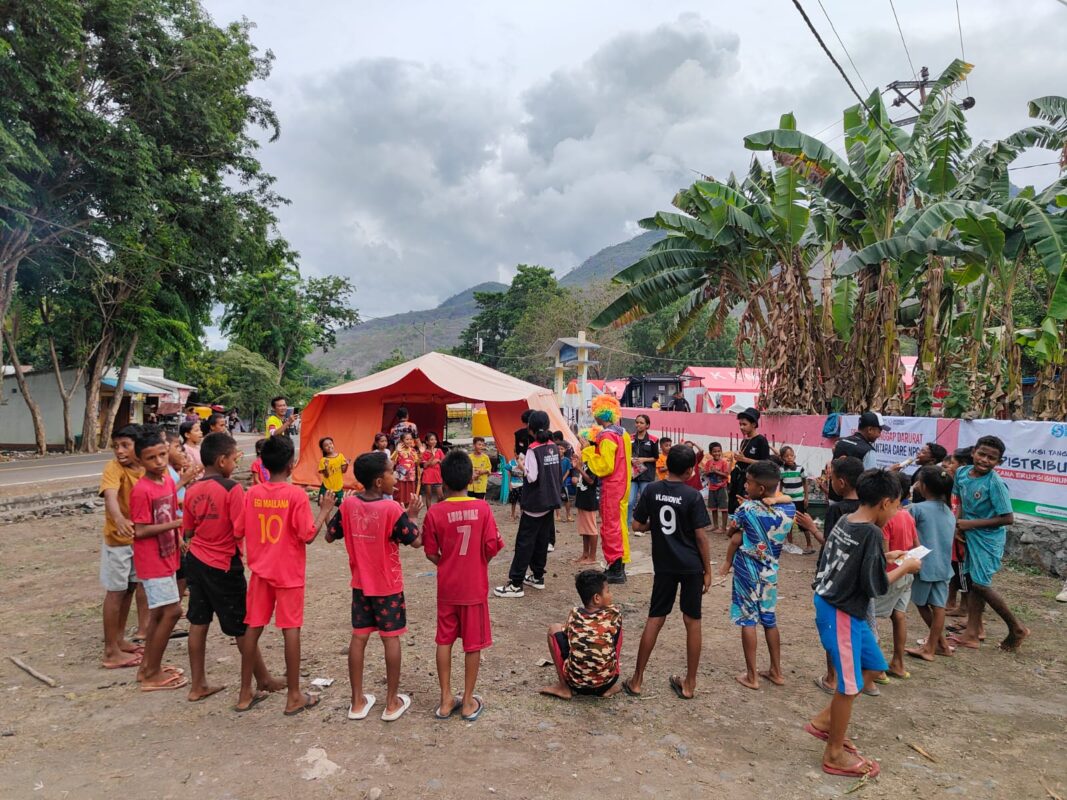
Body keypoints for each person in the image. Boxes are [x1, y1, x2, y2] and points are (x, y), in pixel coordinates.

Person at [807, 469, 923, 779]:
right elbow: (876, 587)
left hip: (844, 608)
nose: (897, 511)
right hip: (839, 610)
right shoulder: (871, 532)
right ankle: (833, 754)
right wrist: (907, 566)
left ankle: (824, 722)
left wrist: (887, 556)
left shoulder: (849, 520)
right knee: (849, 685)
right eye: (897, 505)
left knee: (873, 666)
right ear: (885, 502)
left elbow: (857, 562)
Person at [182, 432, 286, 707]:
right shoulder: (231, 489)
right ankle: (262, 678)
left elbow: (189, 530)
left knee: (198, 621)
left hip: (196, 560)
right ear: (221, 460)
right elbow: (241, 527)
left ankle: (197, 685)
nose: (235, 463)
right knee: (243, 625)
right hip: (223, 563)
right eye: (233, 458)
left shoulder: (191, 490)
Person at [238, 435, 335, 715]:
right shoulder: (296, 495)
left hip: (260, 571)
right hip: (288, 572)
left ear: (264, 465)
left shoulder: (252, 493)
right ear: (291, 465)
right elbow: (307, 536)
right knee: (290, 629)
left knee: (253, 628)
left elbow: (242, 528)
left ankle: (245, 692)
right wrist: (324, 511)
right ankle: (294, 695)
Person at [327, 451, 423, 722]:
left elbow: (330, 535)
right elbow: (416, 541)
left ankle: (357, 702)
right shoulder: (392, 509)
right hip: (388, 586)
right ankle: (391, 703)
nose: (397, 476)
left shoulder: (348, 506)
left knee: (359, 638)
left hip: (361, 586)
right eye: (392, 472)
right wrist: (413, 515)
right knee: (390, 638)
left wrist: (329, 509)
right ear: (380, 482)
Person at [623, 445, 712, 700]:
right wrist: (708, 571)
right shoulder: (693, 496)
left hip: (664, 565)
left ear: (666, 465)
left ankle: (637, 679)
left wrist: (657, 526)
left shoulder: (651, 489)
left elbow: (638, 525)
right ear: (689, 470)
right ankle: (689, 684)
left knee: (655, 617)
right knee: (692, 621)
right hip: (691, 566)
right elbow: (701, 537)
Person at [423, 450, 504, 721]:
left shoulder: (435, 512)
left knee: (443, 640)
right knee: (473, 644)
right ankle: (468, 701)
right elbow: (492, 546)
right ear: (471, 478)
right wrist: (477, 563)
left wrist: (447, 565)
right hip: (474, 588)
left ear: (443, 481)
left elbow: (431, 552)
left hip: (447, 587)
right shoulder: (482, 509)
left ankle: (446, 699)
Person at [948, 436, 1029, 652]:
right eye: (982, 454)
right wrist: (958, 526)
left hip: (988, 539)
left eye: (991, 458)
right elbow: (961, 503)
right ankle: (973, 633)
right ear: (973, 452)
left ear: (999, 462)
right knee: (973, 582)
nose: (985, 460)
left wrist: (969, 524)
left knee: (980, 584)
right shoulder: (963, 473)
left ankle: (1016, 627)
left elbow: (1007, 518)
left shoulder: (995, 484)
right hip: (968, 534)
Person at [720, 460, 793, 690]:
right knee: (770, 621)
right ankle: (776, 671)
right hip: (770, 573)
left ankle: (751, 676)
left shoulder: (746, 509)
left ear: (760, 489)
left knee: (748, 621)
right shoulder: (789, 509)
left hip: (746, 573)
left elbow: (731, 531)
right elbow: (786, 499)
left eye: (748, 483)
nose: (745, 486)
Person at [796, 456, 864, 696]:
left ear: (842, 482)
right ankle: (861, 674)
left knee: (831, 626)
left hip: (833, 576)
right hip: (857, 576)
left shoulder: (837, 509)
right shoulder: (867, 506)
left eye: (831, 477)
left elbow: (830, 545)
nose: (830, 481)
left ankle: (832, 677)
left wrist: (811, 527)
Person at [129, 429, 187, 691]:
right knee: (173, 611)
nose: (159, 462)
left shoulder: (165, 482)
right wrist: (176, 523)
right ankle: (152, 673)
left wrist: (179, 537)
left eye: (162, 455)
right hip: (152, 560)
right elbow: (140, 530)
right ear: (141, 461)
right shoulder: (141, 490)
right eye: (151, 458)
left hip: (168, 554)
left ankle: (148, 668)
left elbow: (171, 512)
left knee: (158, 614)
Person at [494, 410, 563, 598]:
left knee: (524, 542)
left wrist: (521, 466)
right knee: (541, 540)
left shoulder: (533, 449)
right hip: (550, 501)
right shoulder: (553, 447)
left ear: (530, 428)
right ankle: (538, 576)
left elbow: (532, 477)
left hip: (535, 503)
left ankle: (516, 583)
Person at [99, 424, 149, 670]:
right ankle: (110, 651)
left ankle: (119, 639)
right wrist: (118, 519)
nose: (119, 451)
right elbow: (110, 494)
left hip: (137, 539)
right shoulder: (113, 468)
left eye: (125, 446)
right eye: (116, 446)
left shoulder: (144, 468)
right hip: (118, 541)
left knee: (129, 588)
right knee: (115, 591)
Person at [540, 570, 623, 700]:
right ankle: (609, 682)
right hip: (607, 682)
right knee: (616, 630)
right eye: (608, 591)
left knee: (553, 629)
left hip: (575, 684)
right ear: (597, 598)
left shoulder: (574, 614)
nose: (610, 594)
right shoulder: (614, 613)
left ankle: (563, 687)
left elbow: (568, 635)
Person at [905, 465, 958, 662]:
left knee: (920, 603)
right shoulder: (948, 511)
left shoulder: (917, 509)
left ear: (924, 487)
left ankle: (931, 647)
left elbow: (906, 531)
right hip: (943, 566)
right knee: (938, 606)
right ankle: (941, 644)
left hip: (924, 565)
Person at [873, 473, 920, 681]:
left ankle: (877, 669)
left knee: (870, 619)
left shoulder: (886, 519)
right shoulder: (907, 516)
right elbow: (917, 544)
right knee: (898, 615)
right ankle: (898, 663)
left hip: (891, 575)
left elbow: (884, 554)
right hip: (907, 572)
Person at [582, 395, 633, 584]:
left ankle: (615, 567)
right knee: (620, 526)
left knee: (611, 527)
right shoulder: (623, 433)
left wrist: (587, 452)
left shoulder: (607, 436)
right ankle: (620, 564)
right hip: (623, 485)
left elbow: (605, 466)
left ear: (599, 414)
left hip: (612, 486)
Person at [828, 413, 888, 503]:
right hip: (854, 505)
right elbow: (871, 481)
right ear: (870, 430)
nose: (879, 435)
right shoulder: (868, 451)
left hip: (834, 498)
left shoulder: (841, 442)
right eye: (879, 431)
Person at [728, 408, 770, 513]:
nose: (741, 427)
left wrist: (745, 459)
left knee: (746, 507)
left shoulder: (761, 440)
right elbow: (742, 460)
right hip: (739, 479)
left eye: (744, 424)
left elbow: (766, 463)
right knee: (735, 504)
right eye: (740, 424)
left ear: (754, 424)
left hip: (752, 481)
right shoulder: (744, 440)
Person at [574, 428, 601, 566]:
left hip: (589, 498)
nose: (581, 443)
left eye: (583, 441)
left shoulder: (593, 461)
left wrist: (578, 469)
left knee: (591, 528)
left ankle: (592, 556)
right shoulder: (585, 459)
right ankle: (585, 554)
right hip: (582, 497)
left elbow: (591, 480)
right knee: (584, 529)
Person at [779, 446, 813, 554]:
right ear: (782, 458)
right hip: (787, 500)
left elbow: (805, 483)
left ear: (794, 456)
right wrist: (780, 497)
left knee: (802, 521)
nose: (789, 458)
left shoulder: (800, 469)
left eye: (791, 455)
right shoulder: (781, 470)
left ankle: (809, 544)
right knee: (788, 522)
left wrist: (806, 497)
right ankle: (790, 544)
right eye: (786, 456)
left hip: (799, 499)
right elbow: (781, 484)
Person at [628, 414, 658, 532]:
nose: (638, 425)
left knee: (646, 501)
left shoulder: (653, 440)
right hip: (632, 475)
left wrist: (643, 460)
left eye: (641, 423)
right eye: (637, 422)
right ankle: (628, 523)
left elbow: (656, 457)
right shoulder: (629, 438)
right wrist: (630, 459)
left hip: (647, 475)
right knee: (630, 500)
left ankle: (647, 524)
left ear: (647, 425)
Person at [704, 442, 730, 535]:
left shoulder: (724, 463)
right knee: (713, 508)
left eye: (719, 451)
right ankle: (715, 525)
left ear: (721, 452)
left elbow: (726, 475)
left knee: (724, 509)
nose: (717, 453)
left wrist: (716, 472)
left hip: (722, 488)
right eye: (714, 451)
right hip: (712, 488)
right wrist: (710, 472)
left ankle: (723, 527)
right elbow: (705, 473)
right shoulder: (708, 463)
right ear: (710, 453)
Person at [317, 436, 349, 509]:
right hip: (327, 487)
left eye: (330, 443)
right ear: (323, 449)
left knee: (342, 506)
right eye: (326, 445)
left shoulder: (340, 456)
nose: (329, 446)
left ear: (333, 444)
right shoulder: (323, 460)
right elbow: (326, 475)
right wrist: (325, 467)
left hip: (338, 486)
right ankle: (327, 521)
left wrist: (346, 464)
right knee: (324, 506)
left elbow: (343, 471)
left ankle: (339, 520)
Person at [391, 431, 419, 506]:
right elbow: (392, 461)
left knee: (410, 498)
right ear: (402, 441)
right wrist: (397, 451)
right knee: (399, 498)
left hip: (411, 477)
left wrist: (421, 453)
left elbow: (417, 462)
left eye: (410, 439)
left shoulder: (413, 450)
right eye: (407, 439)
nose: (409, 441)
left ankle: (407, 514)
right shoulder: (398, 450)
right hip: (400, 478)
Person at [419, 432, 445, 507]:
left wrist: (438, 461)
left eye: (435, 439)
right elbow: (425, 465)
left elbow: (443, 462)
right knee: (428, 496)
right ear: (427, 442)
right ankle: (429, 514)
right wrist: (433, 457)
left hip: (437, 475)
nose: (434, 441)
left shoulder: (439, 450)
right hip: (428, 476)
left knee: (441, 497)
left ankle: (437, 510)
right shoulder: (424, 452)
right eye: (431, 440)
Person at [558, 444, 574, 524]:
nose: (560, 450)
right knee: (556, 500)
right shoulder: (555, 460)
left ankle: (568, 515)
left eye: (562, 448)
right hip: (555, 484)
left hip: (563, 484)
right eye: (558, 449)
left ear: (564, 450)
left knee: (566, 499)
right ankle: (558, 515)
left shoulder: (567, 460)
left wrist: (563, 479)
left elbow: (568, 471)